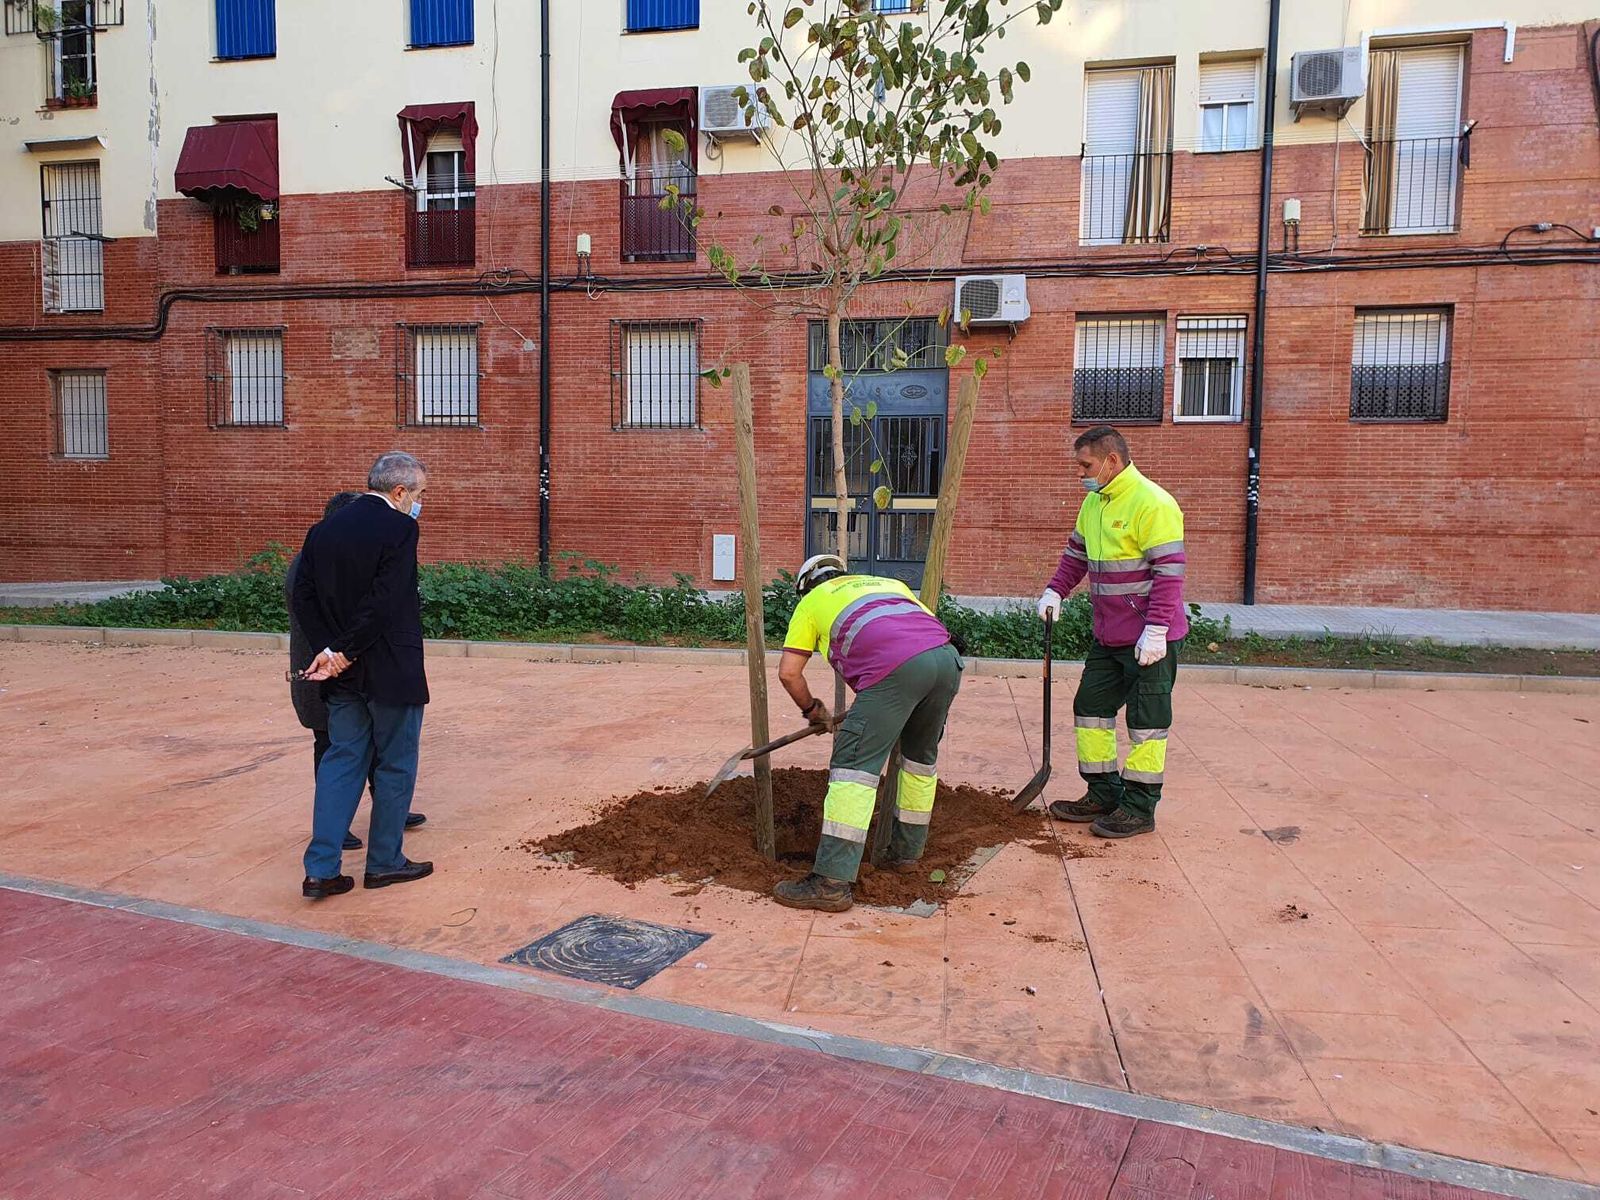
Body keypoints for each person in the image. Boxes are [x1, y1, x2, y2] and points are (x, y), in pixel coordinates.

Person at [771, 554, 963, 913]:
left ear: (805, 587)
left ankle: (830, 882)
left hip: (897, 669)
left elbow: (789, 673)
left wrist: (814, 710)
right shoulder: (889, 584)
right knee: (919, 761)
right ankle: (906, 854)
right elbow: (928, 628)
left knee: (853, 769)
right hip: (946, 661)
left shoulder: (812, 602)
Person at [292, 452, 434, 898]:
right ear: (399, 491)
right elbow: (384, 600)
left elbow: (303, 595)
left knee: (341, 761)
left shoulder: (323, 530)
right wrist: (346, 651)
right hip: (389, 669)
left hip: (342, 677)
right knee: (394, 764)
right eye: (419, 494)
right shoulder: (400, 528)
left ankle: (321, 870)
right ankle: (385, 863)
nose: (419, 502)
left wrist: (329, 651)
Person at [1037, 425, 1186, 839]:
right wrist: (1056, 590)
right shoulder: (1095, 502)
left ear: (1111, 461)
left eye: (1086, 465)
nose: (1080, 473)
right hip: (1109, 636)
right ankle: (1104, 792)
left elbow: (1169, 575)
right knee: (1090, 710)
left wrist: (1156, 630)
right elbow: (1075, 556)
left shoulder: (1153, 503)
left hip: (1149, 640)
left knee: (1147, 723)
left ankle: (1139, 809)